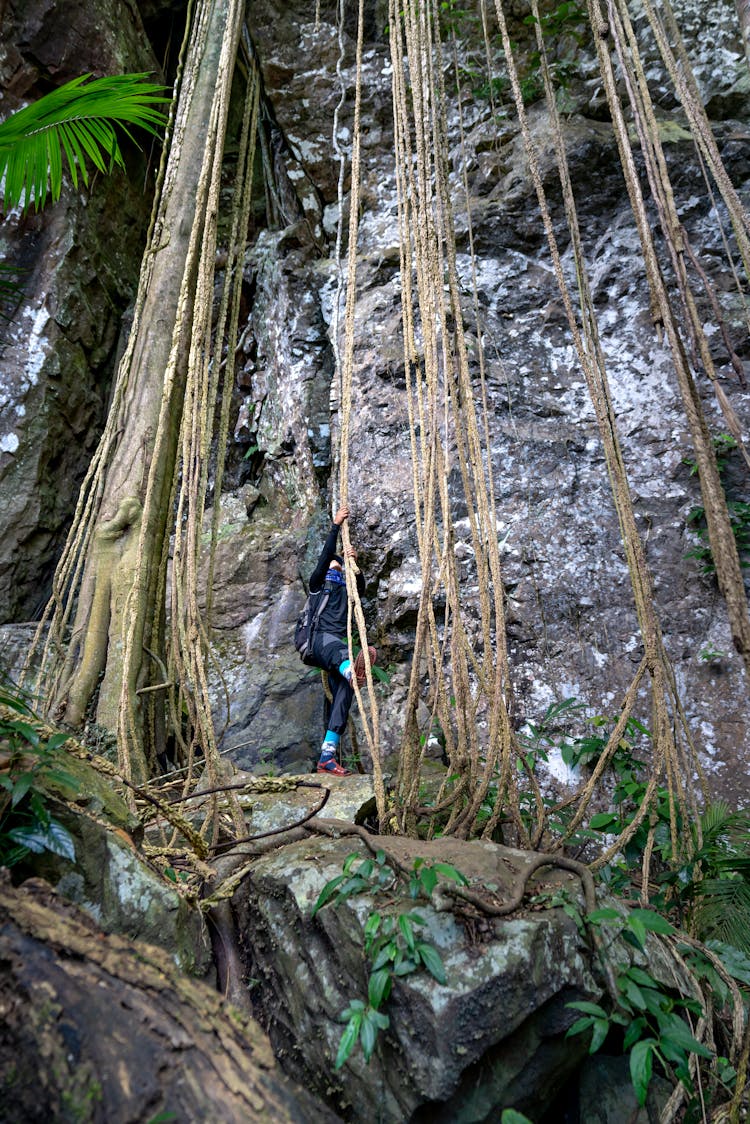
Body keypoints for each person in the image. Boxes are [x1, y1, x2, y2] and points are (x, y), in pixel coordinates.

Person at [306, 505, 377, 775]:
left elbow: (360, 591)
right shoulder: (317, 586)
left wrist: (354, 566)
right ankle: (351, 672)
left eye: (339, 564)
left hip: (337, 645)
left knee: (345, 695)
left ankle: (327, 756)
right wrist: (336, 526)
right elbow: (326, 556)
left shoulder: (345, 590)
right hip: (319, 642)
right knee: (341, 657)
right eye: (333, 564)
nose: (336, 564)